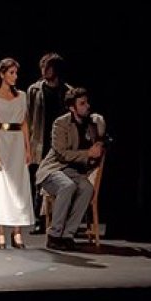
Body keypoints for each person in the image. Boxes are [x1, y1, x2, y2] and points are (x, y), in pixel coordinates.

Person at [34, 87, 106, 251]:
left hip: (73, 172)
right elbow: (61, 154)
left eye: (87, 102)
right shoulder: (61, 123)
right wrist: (87, 153)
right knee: (67, 186)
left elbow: (101, 137)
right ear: (72, 107)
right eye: (82, 103)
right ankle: (54, 235)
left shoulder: (91, 124)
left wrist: (99, 142)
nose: (87, 106)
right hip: (53, 169)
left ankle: (67, 235)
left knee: (87, 189)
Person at [0, 57, 35, 249]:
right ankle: (0, 232)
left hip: (17, 143)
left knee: (18, 187)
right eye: (11, 73)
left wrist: (28, 148)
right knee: (0, 187)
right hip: (0, 141)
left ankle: (17, 231)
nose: (15, 76)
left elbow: (25, 124)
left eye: (16, 73)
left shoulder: (22, 96)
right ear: (2, 74)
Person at [25, 52, 71, 235]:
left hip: (60, 143)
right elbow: (27, 117)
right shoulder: (35, 90)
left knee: (61, 180)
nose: (45, 70)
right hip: (40, 141)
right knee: (39, 181)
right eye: (43, 67)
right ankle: (40, 219)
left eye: (49, 67)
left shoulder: (67, 91)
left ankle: (59, 219)